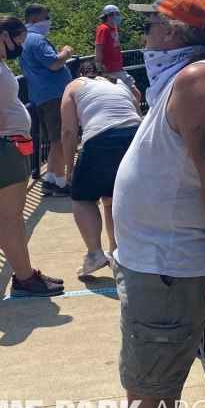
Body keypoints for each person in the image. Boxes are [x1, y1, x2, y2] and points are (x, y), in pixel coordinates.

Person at [114, 0, 205, 408]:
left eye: (148, 27)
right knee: (146, 389)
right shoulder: (180, 81)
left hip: (168, 269)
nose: (143, 38)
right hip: (154, 264)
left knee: (151, 396)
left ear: (169, 32)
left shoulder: (198, 80)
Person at [0, 16, 64, 297]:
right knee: (10, 216)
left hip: (6, 143)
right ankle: (24, 279)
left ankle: (26, 274)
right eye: (19, 41)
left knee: (15, 215)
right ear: (4, 36)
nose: (20, 47)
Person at [60, 61, 142, 279]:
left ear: (80, 74)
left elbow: (68, 130)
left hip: (101, 138)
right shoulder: (120, 84)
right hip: (135, 137)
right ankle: (118, 252)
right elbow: (137, 114)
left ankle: (94, 254)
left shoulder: (75, 85)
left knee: (83, 199)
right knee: (114, 198)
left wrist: (70, 166)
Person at [18, 4, 74, 197]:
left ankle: (49, 181)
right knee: (59, 140)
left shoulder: (23, 40)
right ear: (34, 19)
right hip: (54, 95)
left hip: (40, 96)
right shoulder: (37, 40)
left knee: (54, 140)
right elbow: (55, 63)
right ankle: (61, 184)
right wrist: (66, 51)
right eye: (46, 17)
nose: (49, 21)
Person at [95, 5, 141, 106]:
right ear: (109, 15)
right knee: (119, 98)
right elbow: (99, 49)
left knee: (136, 95)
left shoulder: (114, 28)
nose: (118, 17)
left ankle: (131, 112)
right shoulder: (103, 29)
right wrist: (98, 68)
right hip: (110, 70)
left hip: (119, 69)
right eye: (117, 14)